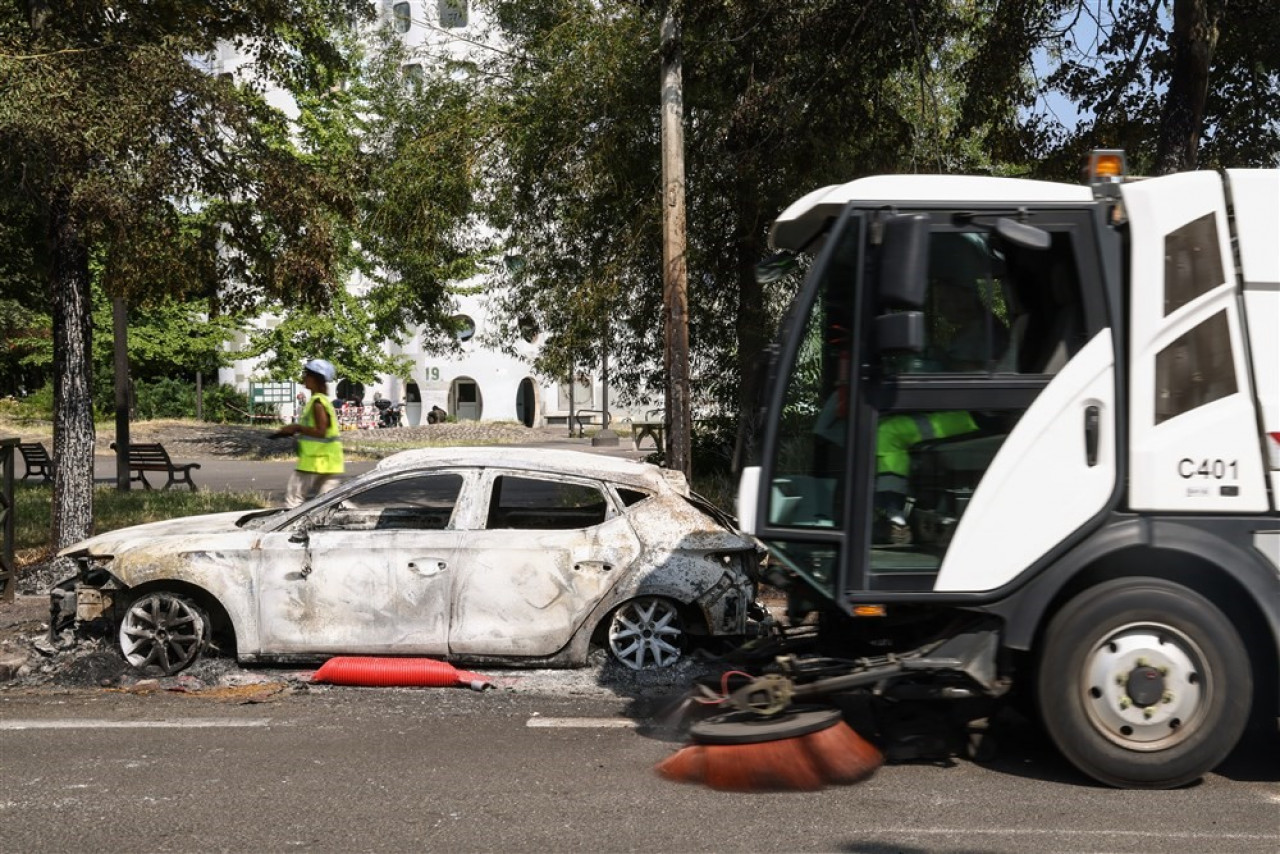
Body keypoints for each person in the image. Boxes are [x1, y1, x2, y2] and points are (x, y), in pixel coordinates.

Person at [277, 359, 344, 508]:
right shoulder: (320, 400)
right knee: (329, 501)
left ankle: (287, 528)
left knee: (294, 499)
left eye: (307, 374)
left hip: (315, 461)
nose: (304, 377)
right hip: (327, 460)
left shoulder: (318, 403)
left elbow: (321, 431)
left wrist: (296, 428)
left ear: (316, 379)